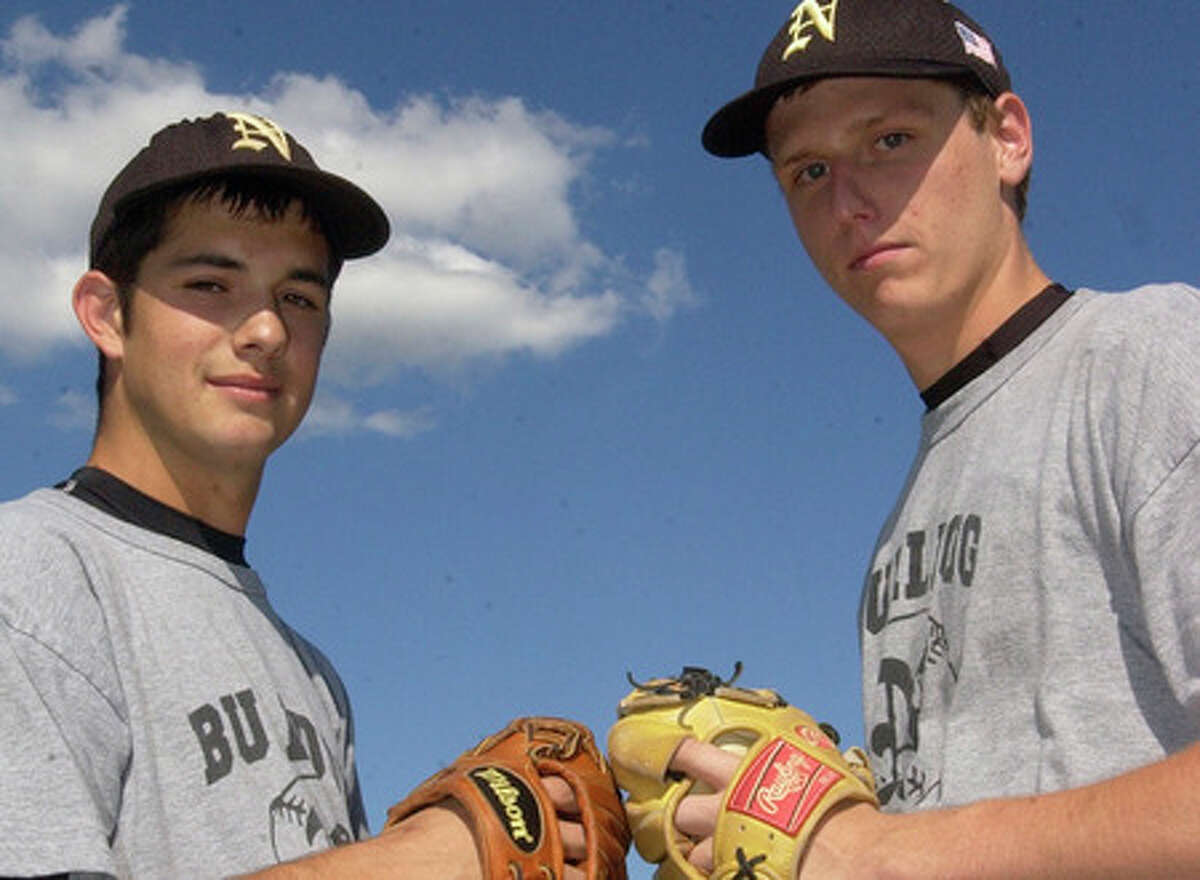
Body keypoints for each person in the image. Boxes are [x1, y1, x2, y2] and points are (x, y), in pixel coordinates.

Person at [660, 0, 1200, 876]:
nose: (848, 201)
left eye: (891, 141)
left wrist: (873, 853)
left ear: (1009, 140)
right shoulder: (902, 523)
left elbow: (902, 858)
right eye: (806, 171)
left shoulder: (1154, 357)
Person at [0, 111, 597, 879]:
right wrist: (430, 858)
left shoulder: (312, 675)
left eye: (299, 298)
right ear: (108, 314)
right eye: (210, 284)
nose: (265, 331)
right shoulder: (30, 572)